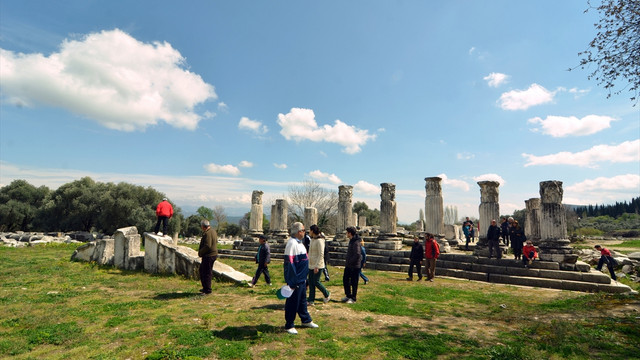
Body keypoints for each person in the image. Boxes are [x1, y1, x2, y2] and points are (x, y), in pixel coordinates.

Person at [283, 222, 318, 334]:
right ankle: (289, 325)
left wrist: (305, 279)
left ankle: (305, 320)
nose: (305, 232)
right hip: (296, 280)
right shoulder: (292, 244)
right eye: (303, 230)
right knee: (293, 302)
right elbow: (290, 264)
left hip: (302, 278)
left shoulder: (300, 243)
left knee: (302, 301)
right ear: (299, 232)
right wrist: (293, 282)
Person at [307, 225, 330, 305]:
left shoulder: (320, 240)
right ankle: (311, 300)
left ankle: (327, 293)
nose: (309, 232)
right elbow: (310, 252)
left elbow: (321, 254)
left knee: (316, 281)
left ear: (313, 231)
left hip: (318, 265)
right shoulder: (312, 240)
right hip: (311, 264)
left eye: (310, 230)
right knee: (310, 282)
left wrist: (317, 266)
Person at [342, 226, 362, 304]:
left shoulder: (356, 242)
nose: (346, 234)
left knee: (354, 282)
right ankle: (348, 295)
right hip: (349, 265)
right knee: (345, 280)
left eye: (347, 232)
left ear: (350, 233)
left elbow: (357, 254)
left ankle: (353, 298)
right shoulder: (351, 241)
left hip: (354, 266)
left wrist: (350, 261)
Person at [198, 219, 218, 295]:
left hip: (209, 255)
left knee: (206, 272)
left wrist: (200, 252)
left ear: (203, 226)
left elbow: (207, 245)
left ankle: (207, 290)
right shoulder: (213, 231)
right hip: (213, 254)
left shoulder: (207, 234)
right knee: (204, 271)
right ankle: (205, 287)